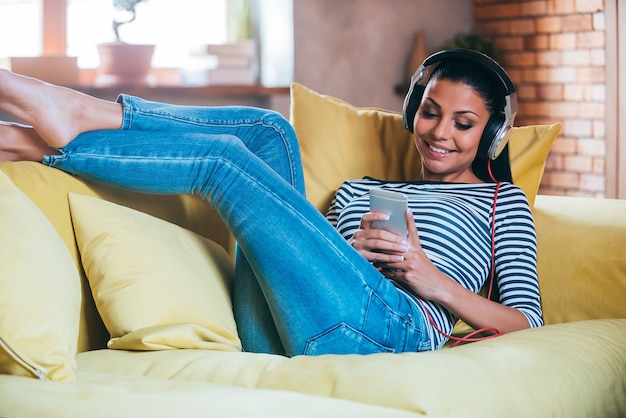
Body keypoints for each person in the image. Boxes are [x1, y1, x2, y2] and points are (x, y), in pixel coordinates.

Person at [0, 48, 543, 356]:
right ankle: (46, 132)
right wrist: (339, 251)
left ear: (492, 134)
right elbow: (294, 268)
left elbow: (527, 324)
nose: (439, 132)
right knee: (270, 133)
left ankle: (58, 128)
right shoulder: (358, 189)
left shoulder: (501, 202)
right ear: (411, 113)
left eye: (464, 123)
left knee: (225, 163)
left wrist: (428, 277)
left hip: (393, 328)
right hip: (287, 327)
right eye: (429, 112)